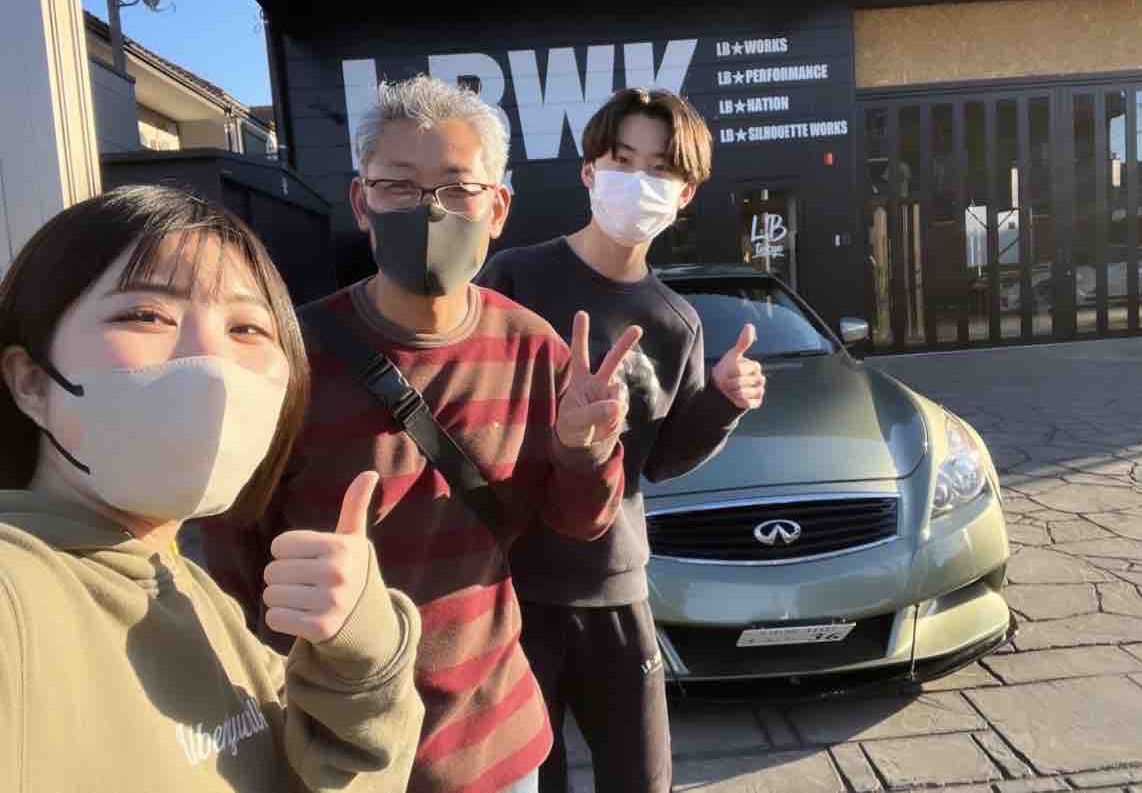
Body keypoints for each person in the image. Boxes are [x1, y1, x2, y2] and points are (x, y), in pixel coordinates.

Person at [202, 75, 636, 793]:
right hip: (334, 750)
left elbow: (578, 522)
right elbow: (228, 556)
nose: (430, 210)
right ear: (361, 201)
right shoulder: (289, 357)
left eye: (458, 189)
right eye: (399, 186)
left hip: (492, 740)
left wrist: (585, 452)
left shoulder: (533, 347)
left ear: (497, 208)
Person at [0, 186, 424, 793]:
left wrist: (363, 660)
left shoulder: (192, 591)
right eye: (146, 315)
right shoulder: (15, 594)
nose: (212, 359)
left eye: (247, 327)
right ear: (30, 383)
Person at [477, 87, 767, 793]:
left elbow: (659, 462)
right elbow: (470, 416)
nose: (638, 181)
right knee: (525, 780)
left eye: (661, 169)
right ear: (589, 171)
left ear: (685, 193)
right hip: (512, 586)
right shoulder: (513, 278)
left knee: (641, 777)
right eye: (622, 159)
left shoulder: (675, 321)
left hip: (615, 583)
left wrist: (722, 402)